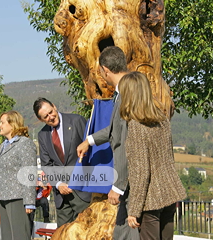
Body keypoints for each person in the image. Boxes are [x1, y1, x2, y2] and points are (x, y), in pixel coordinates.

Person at [77, 46, 139, 239]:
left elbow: (125, 142)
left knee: (127, 233)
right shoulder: (123, 93)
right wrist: (89, 140)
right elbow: (114, 129)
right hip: (128, 181)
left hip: (131, 182)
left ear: (105, 70)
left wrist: (118, 186)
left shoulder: (128, 94)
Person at [118, 72, 186, 239]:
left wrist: (133, 210)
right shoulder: (163, 120)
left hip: (150, 202)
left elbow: (141, 173)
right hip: (169, 195)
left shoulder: (136, 126)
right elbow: (169, 158)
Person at [33, 97, 91, 227]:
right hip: (61, 198)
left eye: (51, 112)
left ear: (54, 106)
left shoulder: (77, 121)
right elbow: (46, 165)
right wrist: (58, 184)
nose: (50, 117)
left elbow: (91, 151)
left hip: (83, 192)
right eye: (45, 116)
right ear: (40, 119)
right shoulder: (43, 135)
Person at [0, 110, 37, 240]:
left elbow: (29, 172)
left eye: (2, 122)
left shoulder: (25, 143)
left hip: (18, 198)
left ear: (12, 124)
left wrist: (29, 202)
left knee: (19, 236)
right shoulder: (3, 145)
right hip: (2, 197)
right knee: (6, 236)